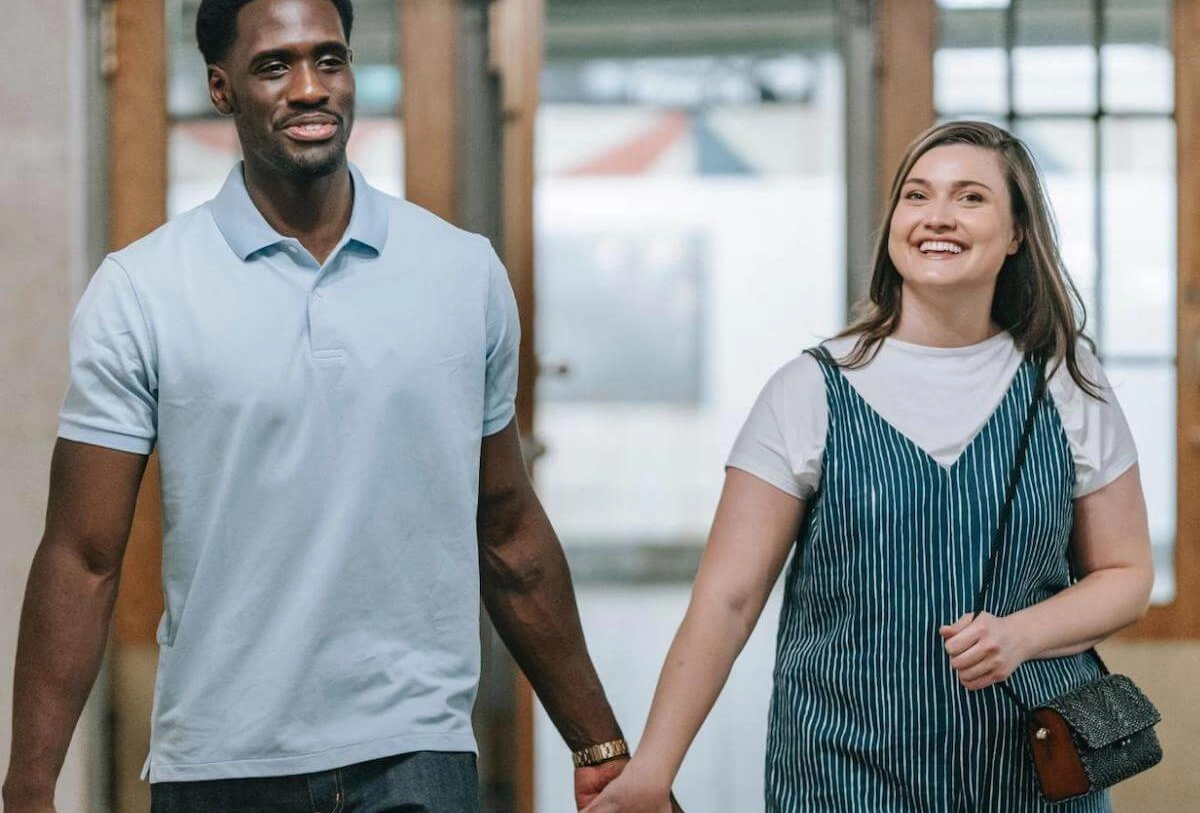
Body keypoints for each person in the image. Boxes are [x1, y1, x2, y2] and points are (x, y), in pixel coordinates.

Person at [1, 0, 635, 810]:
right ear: (223, 89)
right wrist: (29, 783)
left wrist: (600, 744)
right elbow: (83, 557)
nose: (309, 87)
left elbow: (507, 527)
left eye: (328, 59)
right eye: (275, 66)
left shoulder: (460, 274)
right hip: (221, 761)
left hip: (417, 754)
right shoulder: (143, 291)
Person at [582, 120, 1155, 812]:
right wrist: (651, 769)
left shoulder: (1066, 382)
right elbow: (726, 601)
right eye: (917, 196)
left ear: (1015, 234)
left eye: (970, 198)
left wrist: (1020, 633)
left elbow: (1127, 575)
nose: (937, 215)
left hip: (1029, 774)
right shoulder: (807, 391)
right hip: (842, 772)